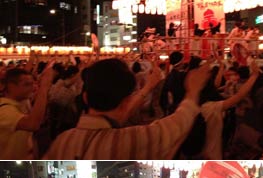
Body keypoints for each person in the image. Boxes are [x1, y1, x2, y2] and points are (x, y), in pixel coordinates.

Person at [44, 58, 212, 159]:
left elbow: (118, 117)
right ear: (126, 101)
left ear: (86, 97)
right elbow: (179, 122)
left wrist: (147, 87)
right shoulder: (133, 139)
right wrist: (193, 90)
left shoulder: (62, 142)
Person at [0, 64, 56, 159]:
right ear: (10, 86)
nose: (33, 88)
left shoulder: (21, 103)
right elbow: (33, 124)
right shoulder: (4, 110)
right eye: (27, 84)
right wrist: (44, 87)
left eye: (33, 84)